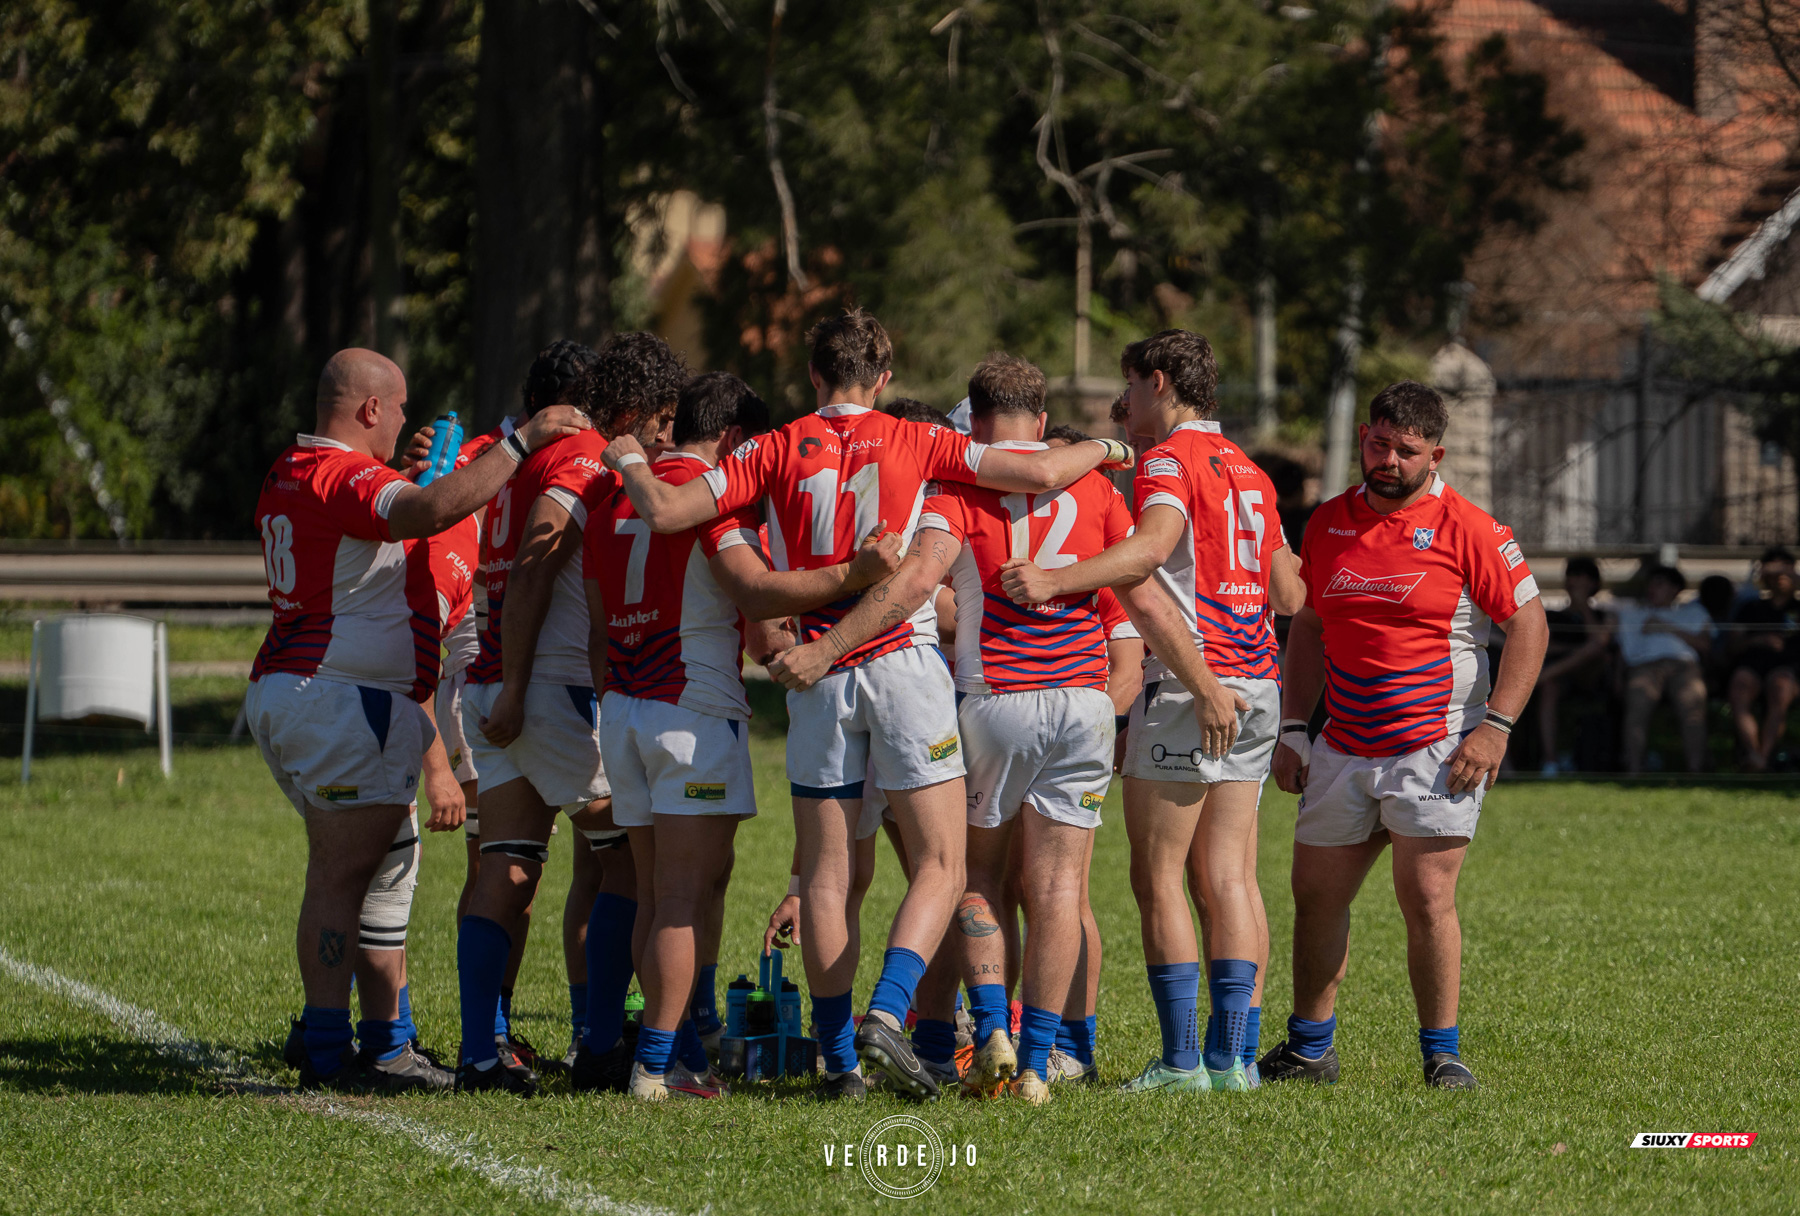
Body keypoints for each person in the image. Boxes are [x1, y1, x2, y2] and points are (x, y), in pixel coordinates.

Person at [602, 308, 1131, 1101]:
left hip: (817, 678)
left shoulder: (770, 447)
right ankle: (892, 1008)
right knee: (945, 862)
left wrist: (629, 462)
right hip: (902, 663)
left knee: (826, 874)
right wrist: (1112, 446)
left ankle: (841, 1061)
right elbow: (1044, 474)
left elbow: (670, 512)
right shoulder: (918, 439)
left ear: (813, 375)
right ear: (884, 378)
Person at [770, 354, 1134, 1104]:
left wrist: (829, 646)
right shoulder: (1095, 485)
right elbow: (1137, 585)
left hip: (994, 698)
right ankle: (1038, 1065)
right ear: (1040, 420)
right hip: (1084, 702)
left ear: (973, 420)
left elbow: (911, 584)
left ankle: (985, 1025)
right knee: (1061, 887)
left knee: (972, 879)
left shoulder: (957, 486)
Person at [246, 347, 587, 1091]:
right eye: (397, 409)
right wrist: (521, 441)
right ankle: (332, 1050)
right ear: (370, 409)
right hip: (341, 698)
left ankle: (386, 1041)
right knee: (343, 877)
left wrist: (410, 467)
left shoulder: (293, 468)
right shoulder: (346, 474)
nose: (406, 423)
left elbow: (381, 517)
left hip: (301, 689)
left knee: (386, 868)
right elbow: (431, 510)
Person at [583, 371, 903, 1099]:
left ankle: (677, 1047)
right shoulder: (710, 497)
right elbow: (757, 594)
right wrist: (851, 576)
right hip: (690, 711)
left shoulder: (612, 496)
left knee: (660, 890)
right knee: (679, 899)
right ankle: (659, 1066)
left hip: (628, 710)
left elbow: (600, 621)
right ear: (733, 440)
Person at [1000, 329, 1304, 1093]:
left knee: (1159, 876)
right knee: (1232, 876)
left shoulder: (1171, 460)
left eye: (1131, 388)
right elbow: (1291, 594)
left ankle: (1179, 1063)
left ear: (1159, 382)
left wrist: (1054, 578)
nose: (1126, 403)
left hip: (1193, 687)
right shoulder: (1253, 473)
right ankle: (1233, 1060)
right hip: (1260, 684)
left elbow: (1147, 550)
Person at [1265, 379, 1548, 1091]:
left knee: (1426, 900)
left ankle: (1442, 1053)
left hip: (1437, 749)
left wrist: (1496, 729)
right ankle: (1309, 1049)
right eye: (1378, 443)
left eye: (1406, 450)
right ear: (1363, 437)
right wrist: (1295, 727)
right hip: (1342, 746)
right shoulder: (1328, 521)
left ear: (1436, 453)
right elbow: (1310, 626)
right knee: (1316, 895)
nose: (1387, 459)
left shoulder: (1472, 528)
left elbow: (1529, 626)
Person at [454, 336, 684, 1096]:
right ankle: (598, 1046)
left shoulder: (513, 454)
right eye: (656, 420)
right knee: (630, 857)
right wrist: (522, 686)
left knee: (510, 866)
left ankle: (479, 1056)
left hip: (495, 680)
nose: (660, 438)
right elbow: (534, 560)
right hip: (540, 690)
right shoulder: (585, 452)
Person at [1613, 566, 1713, 774]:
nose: (1652, 588)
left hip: (1683, 667)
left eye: (1659, 583)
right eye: (1650, 583)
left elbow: (1705, 645)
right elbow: (1622, 649)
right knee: (1637, 708)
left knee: (1693, 708)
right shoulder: (1632, 614)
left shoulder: (1694, 612)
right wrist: (1617, 677)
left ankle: (1696, 771)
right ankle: (1634, 770)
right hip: (1644, 667)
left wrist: (1666, 627)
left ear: (1675, 589)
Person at [1533, 556, 1614, 774]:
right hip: (1561, 677)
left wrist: (1584, 607)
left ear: (1594, 584)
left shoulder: (1605, 614)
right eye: (1572, 576)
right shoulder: (1553, 615)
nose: (1575, 582)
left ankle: (1538, 679)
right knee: (1550, 687)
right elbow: (1543, 645)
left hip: (1594, 676)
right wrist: (1574, 652)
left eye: (1582, 578)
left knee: (1594, 649)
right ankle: (1550, 761)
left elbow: (1600, 642)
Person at [1726, 548, 1798, 771]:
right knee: (1739, 688)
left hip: (1789, 668)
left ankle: (1762, 758)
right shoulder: (1750, 607)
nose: (1780, 576)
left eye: (1785, 570)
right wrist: (1758, 640)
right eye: (1774, 571)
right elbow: (1732, 646)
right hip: (1752, 665)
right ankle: (1753, 753)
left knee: (1780, 688)